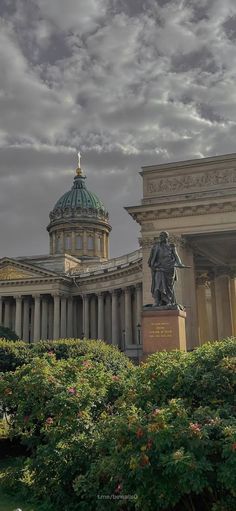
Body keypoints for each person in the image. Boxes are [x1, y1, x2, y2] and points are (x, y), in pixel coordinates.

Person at [148, 231, 184, 307]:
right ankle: (157, 301)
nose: (160, 238)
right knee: (158, 286)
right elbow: (151, 258)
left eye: (162, 236)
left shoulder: (171, 246)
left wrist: (180, 264)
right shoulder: (156, 247)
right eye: (160, 236)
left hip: (169, 269)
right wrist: (153, 265)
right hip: (159, 268)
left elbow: (176, 256)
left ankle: (168, 301)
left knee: (168, 287)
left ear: (166, 237)